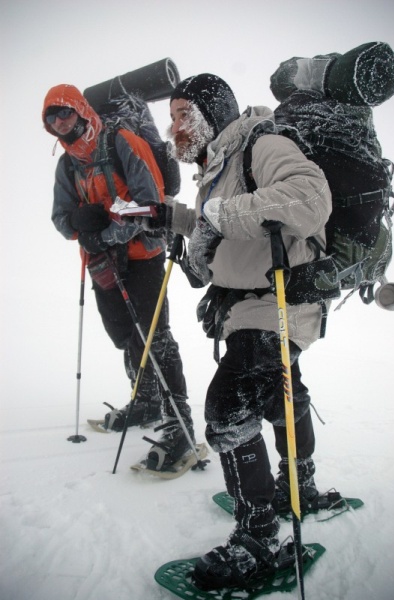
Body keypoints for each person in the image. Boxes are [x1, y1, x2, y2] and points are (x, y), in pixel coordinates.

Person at [145, 73, 335, 589]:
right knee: (279, 395)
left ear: (212, 113)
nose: (175, 126)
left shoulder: (263, 142)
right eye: (173, 115)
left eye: (184, 114)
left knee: (229, 406)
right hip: (245, 306)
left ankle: (259, 539)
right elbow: (221, 230)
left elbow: (310, 199)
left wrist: (222, 212)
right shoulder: (218, 166)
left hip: (279, 302)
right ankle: (302, 485)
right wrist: (174, 217)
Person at [42, 84, 196, 471]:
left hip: (143, 255)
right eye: (51, 117)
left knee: (154, 339)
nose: (59, 122)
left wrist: (103, 233)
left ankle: (182, 427)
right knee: (124, 337)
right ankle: (146, 402)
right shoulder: (67, 165)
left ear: (79, 110)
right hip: (102, 264)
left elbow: (150, 204)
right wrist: (82, 225)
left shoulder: (122, 142)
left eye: (64, 112)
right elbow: (61, 220)